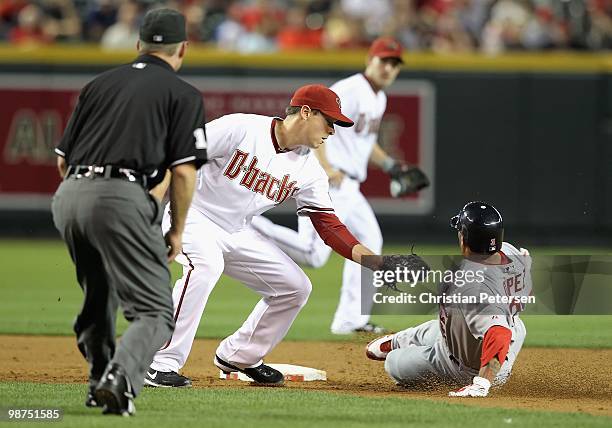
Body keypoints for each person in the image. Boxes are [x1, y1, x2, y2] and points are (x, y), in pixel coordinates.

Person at [144, 84, 427, 387]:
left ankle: (239, 355)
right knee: (205, 266)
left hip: (239, 229)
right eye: (329, 121)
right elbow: (180, 156)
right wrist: (150, 204)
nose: (333, 131)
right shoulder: (241, 127)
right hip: (194, 216)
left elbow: (329, 227)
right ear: (305, 112)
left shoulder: (310, 171)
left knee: (295, 286)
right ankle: (159, 362)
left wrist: (378, 263)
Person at [51, 8, 207, 416]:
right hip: (119, 197)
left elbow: (63, 161)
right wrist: (176, 229)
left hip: (68, 197)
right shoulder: (182, 93)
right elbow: (185, 173)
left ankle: (97, 379)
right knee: (155, 309)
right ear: (183, 49)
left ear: (138, 44)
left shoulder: (98, 84)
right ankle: (119, 378)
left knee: (98, 295)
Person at [251, 37, 429, 335]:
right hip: (333, 179)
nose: (388, 68)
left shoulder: (379, 98)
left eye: (394, 64)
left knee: (370, 239)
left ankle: (351, 320)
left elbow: (366, 143)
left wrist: (391, 166)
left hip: (351, 185)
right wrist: (325, 166)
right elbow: (320, 121)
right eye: (384, 60)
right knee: (313, 253)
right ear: (369, 60)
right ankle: (250, 223)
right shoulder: (350, 89)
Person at [366, 202, 532, 397]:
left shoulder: (473, 285)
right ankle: (402, 339)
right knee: (450, 319)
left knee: (393, 363)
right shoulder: (511, 252)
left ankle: (404, 347)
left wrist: (481, 383)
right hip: (508, 331)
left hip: (469, 367)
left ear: (464, 238)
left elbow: (499, 333)